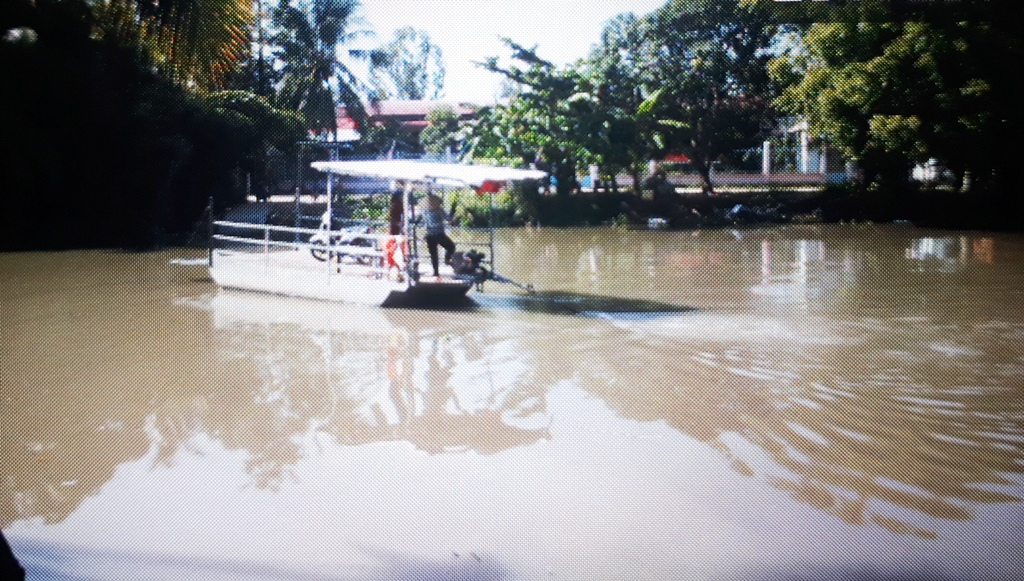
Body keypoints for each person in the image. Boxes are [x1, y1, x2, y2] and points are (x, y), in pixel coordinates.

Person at [420, 194, 455, 278]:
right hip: (439, 233)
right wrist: (452, 212)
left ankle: (436, 272)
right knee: (451, 247)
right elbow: (448, 218)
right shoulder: (439, 210)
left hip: (430, 235)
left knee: (433, 254)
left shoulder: (424, 212)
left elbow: (424, 223)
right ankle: (447, 259)